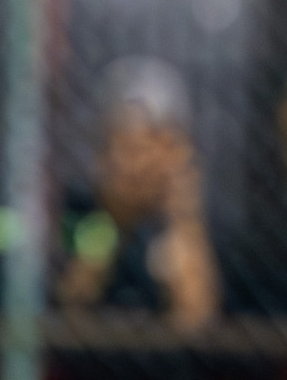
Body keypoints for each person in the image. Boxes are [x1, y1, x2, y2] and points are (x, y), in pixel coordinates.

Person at [57, 56, 220, 332]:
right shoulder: (81, 208)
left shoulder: (199, 217)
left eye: (140, 147)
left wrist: (183, 217)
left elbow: (198, 315)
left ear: (173, 149)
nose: (124, 163)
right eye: (114, 146)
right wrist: (113, 218)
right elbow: (72, 300)